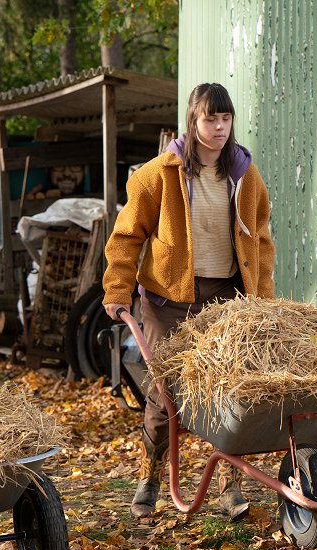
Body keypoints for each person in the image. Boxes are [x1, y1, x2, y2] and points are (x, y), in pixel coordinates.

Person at [102, 83, 276, 520]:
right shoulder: (158, 174)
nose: (218, 128)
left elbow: (262, 242)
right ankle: (151, 475)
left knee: (233, 388)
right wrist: (117, 292)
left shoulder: (245, 175)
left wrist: (264, 301)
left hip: (226, 298)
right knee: (166, 392)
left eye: (225, 119)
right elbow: (127, 237)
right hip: (168, 301)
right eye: (209, 119)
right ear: (192, 121)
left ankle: (229, 485)